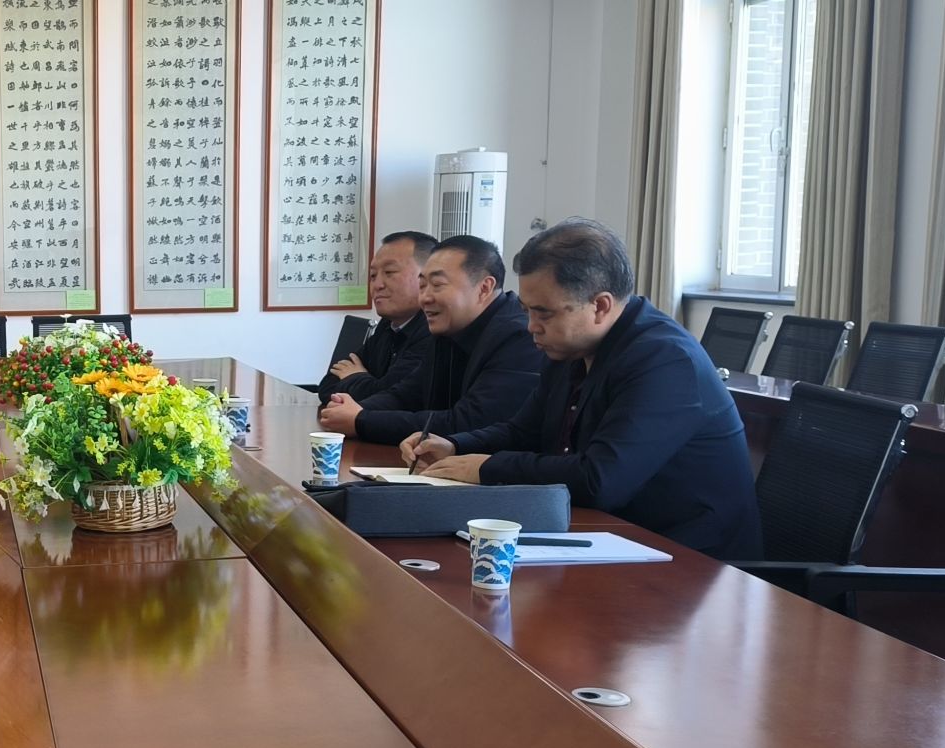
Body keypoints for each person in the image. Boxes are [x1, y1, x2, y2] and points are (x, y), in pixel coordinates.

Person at [403, 219, 763, 560]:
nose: (531, 327)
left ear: (600, 306)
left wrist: (487, 468)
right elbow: (523, 432)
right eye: (527, 311)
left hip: (692, 561)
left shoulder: (665, 360)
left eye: (544, 313)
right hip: (610, 536)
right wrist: (456, 445)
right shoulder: (571, 347)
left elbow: (600, 480)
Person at [317, 235, 544, 445]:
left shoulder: (519, 337)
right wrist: (350, 410)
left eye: (437, 285)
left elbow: (468, 422)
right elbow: (407, 395)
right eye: (422, 285)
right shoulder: (447, 329)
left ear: (484, 288)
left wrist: (361, 420)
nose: (424, 298)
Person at [318, 231, 437, 405]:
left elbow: (392, 400)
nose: (377, 285)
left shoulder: (432, 331)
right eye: (373, 276)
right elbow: (327, 386)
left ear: (427, 277)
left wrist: (355, 377)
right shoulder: (388, 326)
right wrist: (367, 382)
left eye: (389, 272)